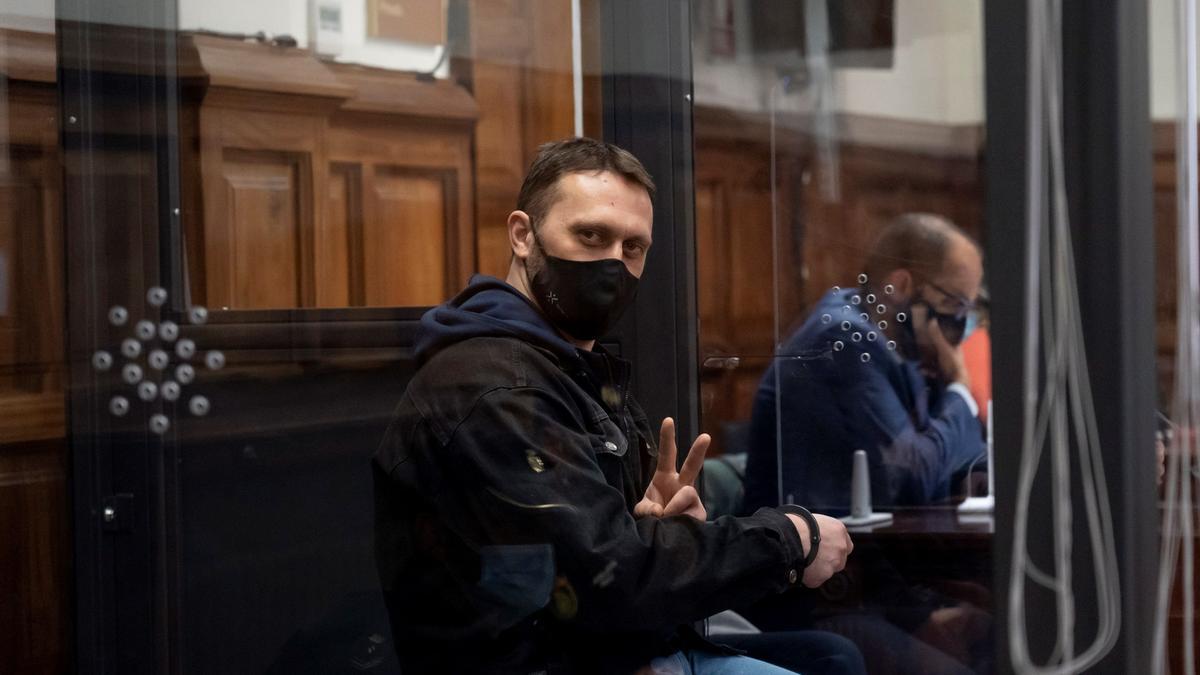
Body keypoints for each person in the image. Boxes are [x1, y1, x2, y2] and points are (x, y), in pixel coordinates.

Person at [372, 138, 857, 674]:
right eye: (590, 236)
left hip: (611, 647)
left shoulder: (571, 367)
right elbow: (611, 578)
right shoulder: (495, 388)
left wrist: (663, 529)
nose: (613, 264)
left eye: (633, 247)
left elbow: (601, 557)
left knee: (831, 656)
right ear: (522, 235)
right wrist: (791, 538)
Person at [744, 213, 986, 514]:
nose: (959, 325)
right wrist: (959, 389)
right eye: (954, 304)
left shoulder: (902, 343)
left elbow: (968, 456)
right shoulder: (844, 341)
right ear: (901, 285)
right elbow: (910, 478)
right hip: (800, 552)